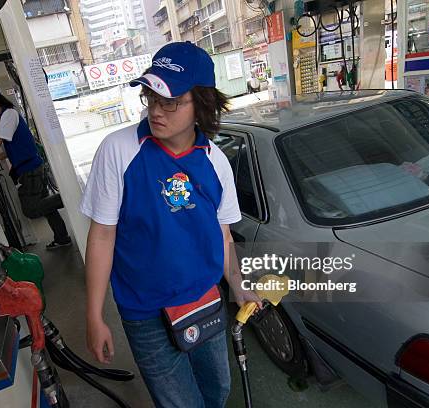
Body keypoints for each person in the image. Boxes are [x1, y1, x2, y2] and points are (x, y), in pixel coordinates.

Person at [79, 41, 261, 408]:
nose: (156, 111)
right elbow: (102, 235)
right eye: (151, 98)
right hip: (146, 312)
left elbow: (223, 234)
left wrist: (238, 287)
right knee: (180, 404)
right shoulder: (119, 150)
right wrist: (94, 315)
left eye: (170, 102)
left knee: (218, 391)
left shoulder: (215, 162)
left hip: (204, 300)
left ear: (202, 105)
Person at [0, 84, 72, 250]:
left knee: (31, 209)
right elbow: (15, 146)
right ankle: (62, 238)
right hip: (32, 166)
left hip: (30, 170)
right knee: (47, 206)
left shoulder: (8, 114)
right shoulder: (9, 115)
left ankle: (70, 197)